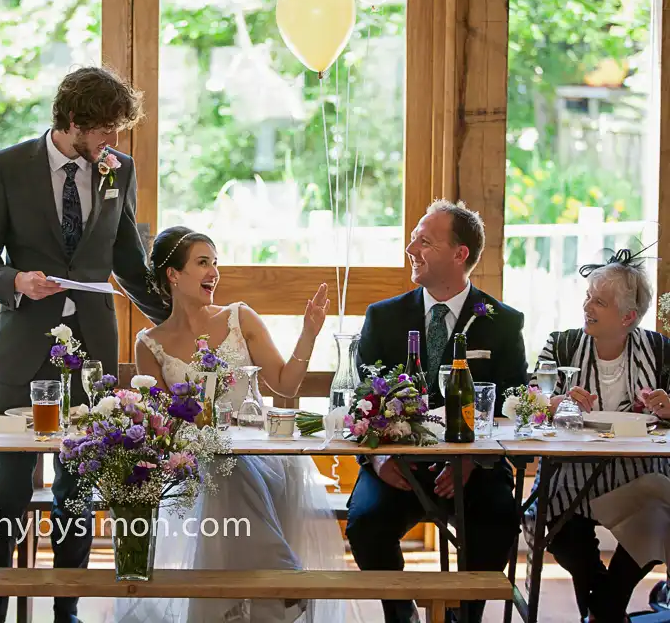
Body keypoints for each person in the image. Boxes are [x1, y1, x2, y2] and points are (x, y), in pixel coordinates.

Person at [0, 66, 168, 623]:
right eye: (105, 128)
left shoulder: (117, 169)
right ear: (72, 121)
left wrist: (179, 318)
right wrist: (16, 283)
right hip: (25, 345)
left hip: (94, 349)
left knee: (77, 487)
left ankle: (67, 607)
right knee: (6, 484)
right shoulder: (6, 167)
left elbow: (128, 258)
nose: (114, 141)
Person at [112, 226, 346, 623]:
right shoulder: (149, 342)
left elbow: (285, 383)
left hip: (262, 457)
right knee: (218, 466)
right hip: (196, 463)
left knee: (228, 466)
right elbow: (162, 427)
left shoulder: (240, 317)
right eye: (203, 263)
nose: (214, 272)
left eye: (215, 263)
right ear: (173, 275)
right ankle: (280, 585)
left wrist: (309, 333)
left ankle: (246, 603)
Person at [345, 200, 525, 623]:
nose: (411, 248)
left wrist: (475, 462)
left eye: (424, 241)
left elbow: (510, 406)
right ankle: (400, 614)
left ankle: (465, 616)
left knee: (500, 520)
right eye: (413, 239)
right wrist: (378, 457)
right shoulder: (384, 317)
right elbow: (360, 401)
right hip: (397, 465)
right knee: (366, 525)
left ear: (460, 254)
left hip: (474, 467)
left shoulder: (502, 321)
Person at [529, 249, 670, 622]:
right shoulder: (561, 344)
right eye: (588, 296)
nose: (587, 305)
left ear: (627, 317)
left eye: (600, 302)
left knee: (662, 515)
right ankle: (607, 614)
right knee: (564, 535)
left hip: (639, 476)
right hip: (570, 476)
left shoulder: (659, 351)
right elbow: (526, 402)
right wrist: (557, 401)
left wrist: (668, 407)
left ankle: (603, 611)